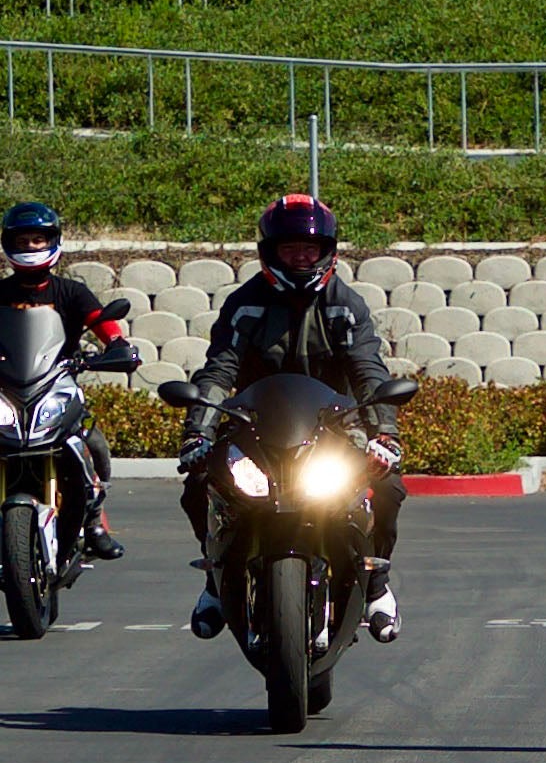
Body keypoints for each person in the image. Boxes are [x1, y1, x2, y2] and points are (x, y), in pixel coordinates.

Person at [180, 194, 406, 641]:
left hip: (335, 427)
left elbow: (367, 369)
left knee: (388, 488)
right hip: (253, 425)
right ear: (270, 253)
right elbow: (219, 368)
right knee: (199, 484)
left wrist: (385, 434)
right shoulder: (245, 304)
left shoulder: (346, 305)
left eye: (310, 249)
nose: (301, 257)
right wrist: (197, 433)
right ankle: (214, 578)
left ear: (328, 252)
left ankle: (377, 583)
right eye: (290, 249)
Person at [0, 202, 138, 558]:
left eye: (38, 239)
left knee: (92, 442)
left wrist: (118, 346)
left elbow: (102, 323)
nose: (31, 246)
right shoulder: (0, 294)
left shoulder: (70, 292)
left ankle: (93, 521)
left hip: (57, 381)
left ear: (53, 241)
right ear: (9, 244)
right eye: (24, 240)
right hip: (7, 387)